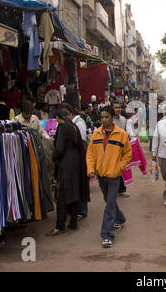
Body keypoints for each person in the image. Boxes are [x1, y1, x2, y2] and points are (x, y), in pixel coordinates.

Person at [86, 106, 132, 248]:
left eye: (106, 117)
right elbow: (90, 154)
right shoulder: (96, 134)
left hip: (114, 175)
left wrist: (119, 167)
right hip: (101, 175)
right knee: (108, 200)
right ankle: (120, 218)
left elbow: (127, 154)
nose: (104, 120)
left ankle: (106, 234)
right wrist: (91, 169)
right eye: (102, 117)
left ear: (112, 117)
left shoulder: (121, 134)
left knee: (110, 203)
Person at [47, 108, 88, 236]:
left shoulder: (62, 127)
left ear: (58, 118)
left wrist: (54, 158)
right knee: (74, 193)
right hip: (76, 165)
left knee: (61, 195)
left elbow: (59, 149)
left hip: (65, 165)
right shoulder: (73, 126)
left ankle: (60, 226)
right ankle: (73, 222)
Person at [152, 107, 166, 206]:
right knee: (165, 175)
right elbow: (156, 138)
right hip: (161, 154)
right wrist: (154, 154)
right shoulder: (160, 124)